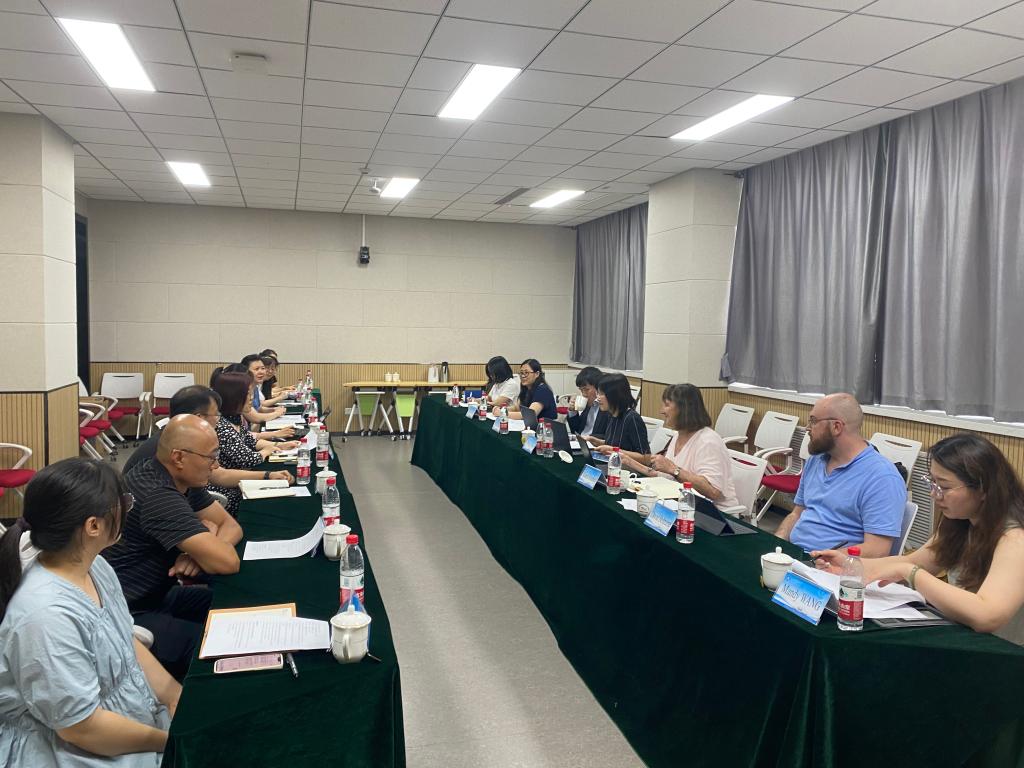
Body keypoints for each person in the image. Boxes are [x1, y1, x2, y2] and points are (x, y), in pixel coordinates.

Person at [0, 459, 179, 764]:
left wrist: (175, 695)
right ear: (93, 526)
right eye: (123, 503)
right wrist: (170, 742)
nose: (128, 509)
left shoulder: (95, 565)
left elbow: (126, 640)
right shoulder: (45, 616)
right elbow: (81, 728)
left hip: (123, 721)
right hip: (71, 748)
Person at [814, 433, 1024, 644]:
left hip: (999, 649)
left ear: (983, 489)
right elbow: (913, 561)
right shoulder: (962, 522)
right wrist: (851, 565)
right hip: (960, 633)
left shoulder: (1015, 539)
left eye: (944, 487)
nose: (934, 494)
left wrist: (910, 572)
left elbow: (987, 616)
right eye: (932, 482)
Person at [104, 415, 243, 680]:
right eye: (211, 457)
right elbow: (228, 562)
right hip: (131, 613)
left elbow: (230, 525)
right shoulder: (158, 494)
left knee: (238, 607)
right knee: (220, 650)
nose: (216, 465)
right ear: (179, 457)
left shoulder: (179, 476)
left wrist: (199, 550)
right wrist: (207, 545)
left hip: (161, 594)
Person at [776, 393, 906, 557]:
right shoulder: (816, 460)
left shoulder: (882, 478)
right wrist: (777, 542)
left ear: (836, 427)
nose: (807, 428)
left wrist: (823, 558)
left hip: (832, 567)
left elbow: (877, 550)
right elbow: (797, 513)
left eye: (813, 421)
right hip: (796, 556)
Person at [124, 384, 294, 489]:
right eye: (216, 414)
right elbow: (218, 476)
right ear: (199, 418)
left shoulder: (179, 436)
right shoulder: (176, 447)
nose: (219, 420)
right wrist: (267, 475)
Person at [620, 384, 740, 510]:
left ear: (683, 409)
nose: (662, 411)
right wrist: (630, 462)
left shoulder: (708, 441)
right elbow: (668, 477)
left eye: (667, 405)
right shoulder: (678, 435)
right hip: (682, 505)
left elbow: (713, 491)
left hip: (713, 514)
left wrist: (674, 469)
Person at [210, 371, 298, 514]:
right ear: (234, 397)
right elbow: (248, 459)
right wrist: (267, 452)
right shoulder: (222, 426)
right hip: (227, 491)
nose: (252, 398)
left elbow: (250, 440)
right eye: (248, 394)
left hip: (240, 481)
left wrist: (279, 445)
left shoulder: (234, 418)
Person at [591, 373, 650, 456]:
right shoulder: (611, 414)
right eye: (598, 393)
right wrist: (595, 441)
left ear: (615, 395)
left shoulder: (632, 418)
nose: (598, 398)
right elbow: (614, 444)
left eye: (602, 394)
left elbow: (646, 457)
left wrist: (613, 450)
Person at [566, 366, 608, 439]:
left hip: (594, 443)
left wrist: (589, 438)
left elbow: (608, 436)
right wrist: (572, 411)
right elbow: (575, 430)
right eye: (581, 390)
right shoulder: (588, 405)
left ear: (598, 387)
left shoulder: (606, 406)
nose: (584, 394)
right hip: (580, 441)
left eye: (586, 389)